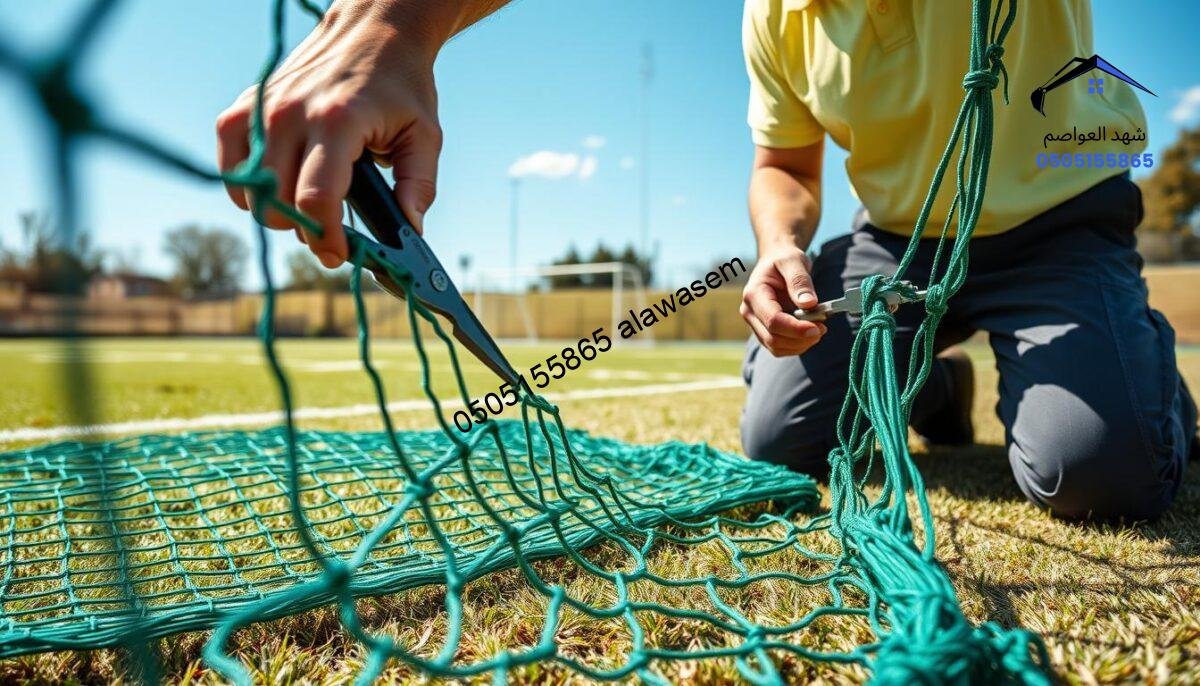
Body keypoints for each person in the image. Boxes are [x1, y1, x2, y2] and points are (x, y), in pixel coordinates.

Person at [216, 0, 1194, 521]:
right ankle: (928, 385)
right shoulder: (776, 11)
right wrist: (778, 246)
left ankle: (1129, 364)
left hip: (1058, 218)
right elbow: (783, 165)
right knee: (779, 439)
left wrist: (399, 15)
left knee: (1098, 473)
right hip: (895, 238)